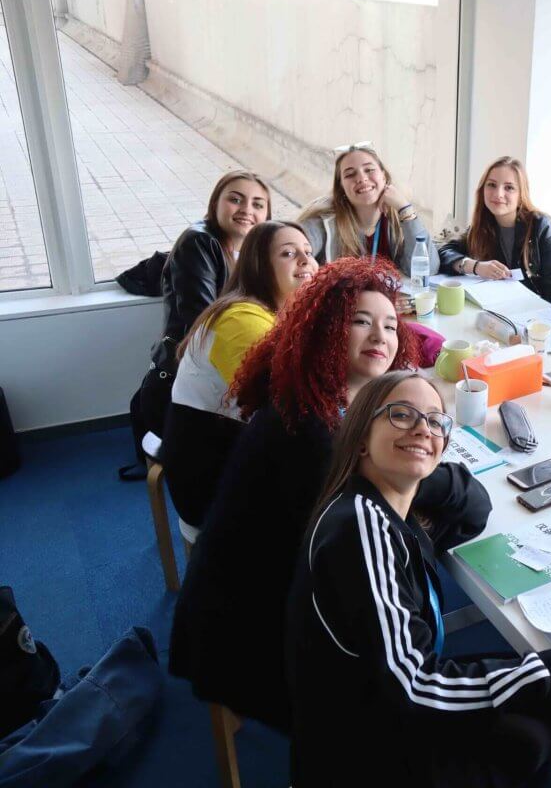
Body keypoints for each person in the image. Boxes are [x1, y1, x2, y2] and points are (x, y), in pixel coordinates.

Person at [169, 258, 485, 732]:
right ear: (326, 330)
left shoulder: (324, 404)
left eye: (390, 325)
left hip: (271, 594)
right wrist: (433, 478)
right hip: (254, 640)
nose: (380, 336)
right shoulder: (309, 430)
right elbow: (462, 497)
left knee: (431, 525)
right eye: (360, 322)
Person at [286, 371, 551, 787]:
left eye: (436, 421)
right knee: (549, 704)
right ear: (361, 438)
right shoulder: (362, 528)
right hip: (365, 754)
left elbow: (473, 508)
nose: (422, 428)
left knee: (544, 713)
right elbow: (413, 687)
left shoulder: (387, 512)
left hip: (374, 713)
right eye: (401, 415)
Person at [159, 221, 316, 527]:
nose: (305, 260)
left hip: (240, 455)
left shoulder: (280, 314)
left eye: (308, 252)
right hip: (213, 482)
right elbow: (292, 407)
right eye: (288, 253)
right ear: (259, 265)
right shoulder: (242, 319)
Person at [122, 170, 271, 478]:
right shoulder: (199, 242)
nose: (247, 210)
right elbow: (205, 323)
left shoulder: (253, 250)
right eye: (235, 199)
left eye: (258, 204)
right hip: (179, 385)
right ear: (215, 203)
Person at [298, 142, 437, 315]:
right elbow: (288, 248)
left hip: (385, 320)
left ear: (384, 177)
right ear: (341, 188)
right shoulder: (323, 224)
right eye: (350, 174)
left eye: (369, 170)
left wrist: (405, 209)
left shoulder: (397, 219)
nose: (362, 178)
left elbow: (428, 268)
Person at [438, 156, 551, 311]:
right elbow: (444, 252)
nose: (498, 194)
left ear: (521, 194)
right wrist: (476, 267)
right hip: (516, 310)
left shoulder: (543, 227)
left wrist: (528, 326)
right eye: (492, 185)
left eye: (509, 188)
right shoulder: (482, 226)